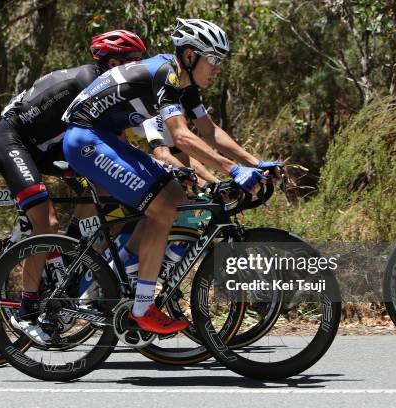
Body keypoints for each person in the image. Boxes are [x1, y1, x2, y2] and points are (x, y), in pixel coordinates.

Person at [62, 18, 282, 334]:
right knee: (163, 208)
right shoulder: (167, 74)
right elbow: (181, 137)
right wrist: (232, 170)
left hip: (105, 136)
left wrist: (255, 163)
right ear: (190, 56)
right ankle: (141, 306)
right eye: (214, 59)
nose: (218, 68)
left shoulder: (185, 83)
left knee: (177, 200)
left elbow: (209, 131)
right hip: (86, 140)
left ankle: (128, 272)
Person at [0, 29, 148, 345]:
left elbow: (120, 141)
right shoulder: (86, 83)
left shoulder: (108, 85)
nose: (138, 68)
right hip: (14, 142)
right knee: (45, 223)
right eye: (133, 61)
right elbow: (114, 142)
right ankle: (27, 309)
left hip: (49, 146)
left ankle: (72, 253)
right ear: (113, 61)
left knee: (107, 188)